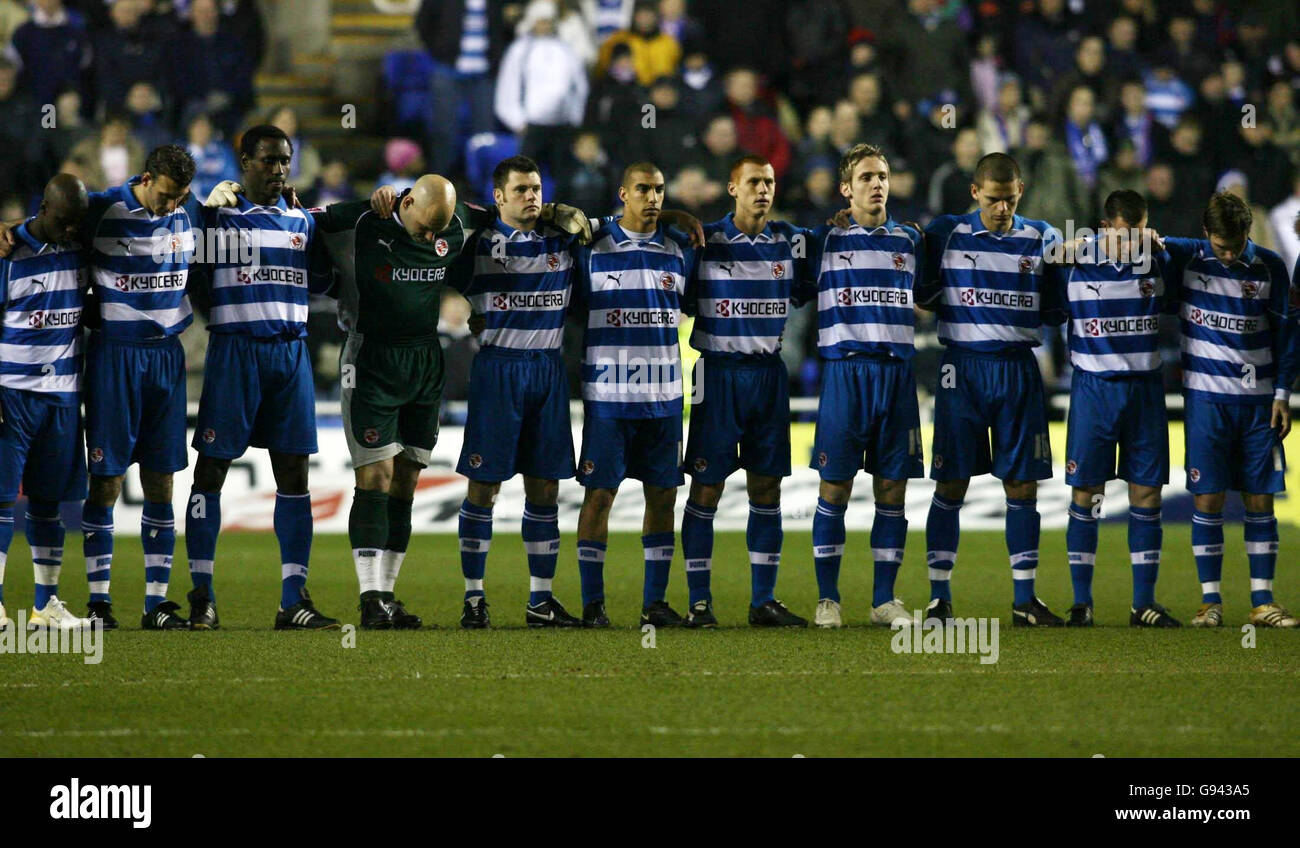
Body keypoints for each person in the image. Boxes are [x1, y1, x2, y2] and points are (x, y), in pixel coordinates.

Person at [336, 176, 592, 628]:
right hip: (372, 358)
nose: (434, 238)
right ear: (406, 201)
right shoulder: (363, 219)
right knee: (377, 474)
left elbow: (509, 211)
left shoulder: (460, 222)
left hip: (424, 358)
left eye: (440, 230)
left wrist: (551, 209)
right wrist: (227, 198)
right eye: (426, 227)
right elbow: (298, 218)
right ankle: (369, 595)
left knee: (407, 482)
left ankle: (388, 596)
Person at [182, 124, 340, 630]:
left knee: (294, 477)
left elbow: (329, 267)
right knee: (211, 472)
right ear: (244, 160)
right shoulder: (216, 217)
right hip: (234, 353)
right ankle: (201, 595)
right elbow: (186, 262)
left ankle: (293, 599)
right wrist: (203, 208)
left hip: (289, 354)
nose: (278, 170)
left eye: (285, 161)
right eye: (268, 160)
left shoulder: (302, 220)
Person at [916, 152, 1067, 627]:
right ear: (975, 193)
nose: (1001, 208)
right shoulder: (944, 232)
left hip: (1017, 368)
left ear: (1020, 191)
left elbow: (1056, 307)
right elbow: (922, 294)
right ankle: (940, 598)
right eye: (992, 199)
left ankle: (1025, 600)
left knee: (1022, 485)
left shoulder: (1044, 236)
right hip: (961, 370)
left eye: (1008, 198)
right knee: (951, 484)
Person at [448, 155, 589, 628]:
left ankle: (541, 600)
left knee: (545, 486)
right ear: (499, 196)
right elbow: (437, 249)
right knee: (484, 486)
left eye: (537, 188)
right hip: (498, 370)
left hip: (548, 371)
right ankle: (473, 598)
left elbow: (627, 222)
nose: (532, 196)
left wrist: (576, 214)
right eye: (522, 189)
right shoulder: (479, 244)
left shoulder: (564, 239)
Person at [78, 146, 208, 630]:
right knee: (107, 480)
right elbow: (47, 220)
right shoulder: (100, 208)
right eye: (166, 196)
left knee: (161, 480)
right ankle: (98, 604)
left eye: (181, 198)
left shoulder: (190, 209)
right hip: (115, 354)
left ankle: (156, 604)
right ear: (146, 177)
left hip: (166, 357)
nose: (172, 206)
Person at [678, 154, 808, 628]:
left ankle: (763, 601)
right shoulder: (703, 239)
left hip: (768, 374)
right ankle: (699, 602)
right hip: (717, 373)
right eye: (753, 182)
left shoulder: (791, 241)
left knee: (767, 486)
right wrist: (674, 214)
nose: (763, 190)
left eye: (769, 182)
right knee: (707, 486)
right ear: (732, 188)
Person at [801, 143, 925, 630]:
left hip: (895, 374)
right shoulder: (823, 241)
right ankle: (828, 600)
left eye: (883, 176)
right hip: (845, 373)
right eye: (868, 177)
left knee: (892, 488)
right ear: (846, 188)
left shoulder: (911, 241)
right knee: (836, 486)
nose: (878, 184)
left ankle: (884, 600)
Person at [1162, 192, 1299, 628]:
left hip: (1259, 404)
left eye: (1236, 244)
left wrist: (1282, 394)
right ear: (1206, 235)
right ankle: (1210, 603)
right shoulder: (1188, 258)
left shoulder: (1271, 267)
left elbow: (1288, 336)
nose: (1228, 253)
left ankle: (1263, 602)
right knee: (1208, 498)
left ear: (1246, 234)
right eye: (1220, 246)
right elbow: (1147, 243)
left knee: (1259, 499)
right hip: (1205, 401)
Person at [572, 162, 694, 627]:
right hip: (608, 398)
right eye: (643, 189)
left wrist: (685, 219)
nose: (654, 197)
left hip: (663, 398)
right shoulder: (592, 248)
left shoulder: (680, 250)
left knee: (663, 497)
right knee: (599, 496)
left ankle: (655, 604)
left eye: (660, 189)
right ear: (623, 193)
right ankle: (593, 605)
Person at [1054, 189, 1178, 627]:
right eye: (1125, 235)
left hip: (1145, 389)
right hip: (1093, 389)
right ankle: (1082, 603)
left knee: (1146, 494)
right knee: (1087, 494)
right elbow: (1032, 253)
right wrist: (1063, 247)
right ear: (1105, 229)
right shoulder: (1073, 262)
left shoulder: (1159, 262)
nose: (1133, 244)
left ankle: (1143, 602)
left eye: (1140, 233)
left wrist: (1161, 244)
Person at [0, 174, 92, 631]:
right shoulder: (7, 255)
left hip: (62, 396)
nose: (71, 229)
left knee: (47, 503)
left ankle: (46, 605)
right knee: (0, 500)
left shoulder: (79, 249)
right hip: (12, 393)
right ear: (42, 207)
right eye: (63, 220)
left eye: (78, 222)